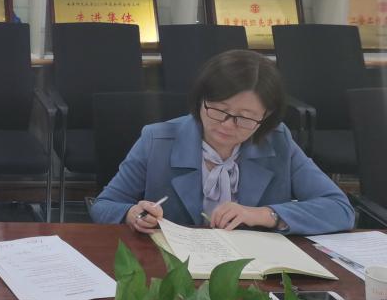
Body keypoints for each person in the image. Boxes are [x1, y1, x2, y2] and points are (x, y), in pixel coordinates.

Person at [90, 49, 354, 236]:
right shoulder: (157, 140)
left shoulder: (277, 141)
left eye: (245, 117)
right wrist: (133, 214)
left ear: (266, 116)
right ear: (201, 100)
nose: (227, 125)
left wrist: (265, 214)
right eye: (219, 110)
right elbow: (104, 206)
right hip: (173, 267)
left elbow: (340, 209)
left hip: (255, 267)